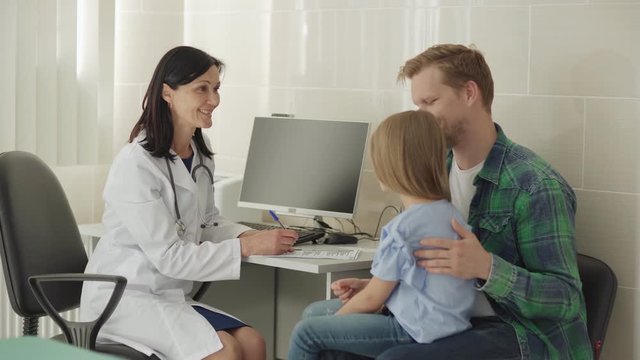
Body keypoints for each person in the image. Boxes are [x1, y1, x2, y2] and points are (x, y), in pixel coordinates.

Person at [323, 44, 592, 360]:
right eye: (417, 105)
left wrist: (487, 268)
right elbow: (428, 265)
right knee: (324, 326)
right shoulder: (437, 168)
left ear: (469, 93)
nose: (421, 116)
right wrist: (380, 287)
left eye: (430, 102)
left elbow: (565, 299)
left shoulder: (534, 184)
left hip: (516, 332)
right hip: (446, 320)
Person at [80, 46, 298, 360]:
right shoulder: (136, 164)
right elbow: (169, 256)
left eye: (216, 88)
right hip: (124, 298)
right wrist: (248, 248)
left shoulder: (200, 150)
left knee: (253, 342)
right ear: (168, 93)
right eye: (202, 89)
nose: (214, 100)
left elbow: (206, 222)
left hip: (168, 295)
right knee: (227, 352)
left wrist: (246, 236)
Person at [287, 110, 476, 359]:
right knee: (314, 313)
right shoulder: (448, 214)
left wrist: (336, 323)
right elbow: (418, 281)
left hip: (414, 327)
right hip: (441, 320)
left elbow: (372, 301)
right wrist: (366, 285)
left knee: (307, 332)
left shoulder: (403, 228)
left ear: (393, 165)